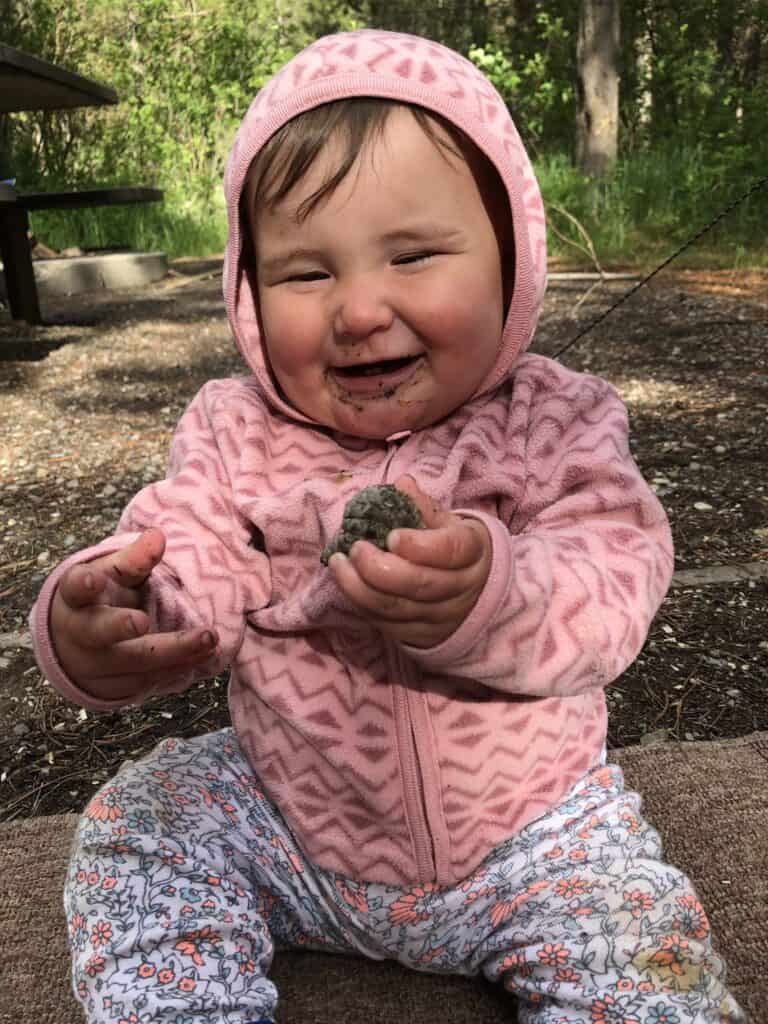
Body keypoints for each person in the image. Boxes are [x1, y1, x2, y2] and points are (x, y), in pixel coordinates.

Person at [30, 29, 743, 1024]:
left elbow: (611, 581)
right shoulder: (235, 430)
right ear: (246, 292)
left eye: (413, 255)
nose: (361, 309)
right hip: (289, 818)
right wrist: (117, 614)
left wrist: (490, 593)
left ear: (512, 262)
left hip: (532, 833)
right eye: (306, 274)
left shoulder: (555, 420)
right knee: (142, 818)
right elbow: (188, 548)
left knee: (642, 950)